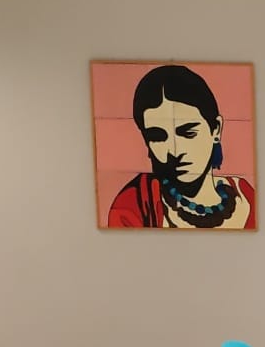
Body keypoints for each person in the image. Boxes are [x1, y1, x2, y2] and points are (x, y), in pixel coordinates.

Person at [106, 65, 256, 229]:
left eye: (188, 133)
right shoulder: (133, 205)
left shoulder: (246, 197)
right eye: (157, 137)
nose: (174, 150)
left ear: (216, 129)